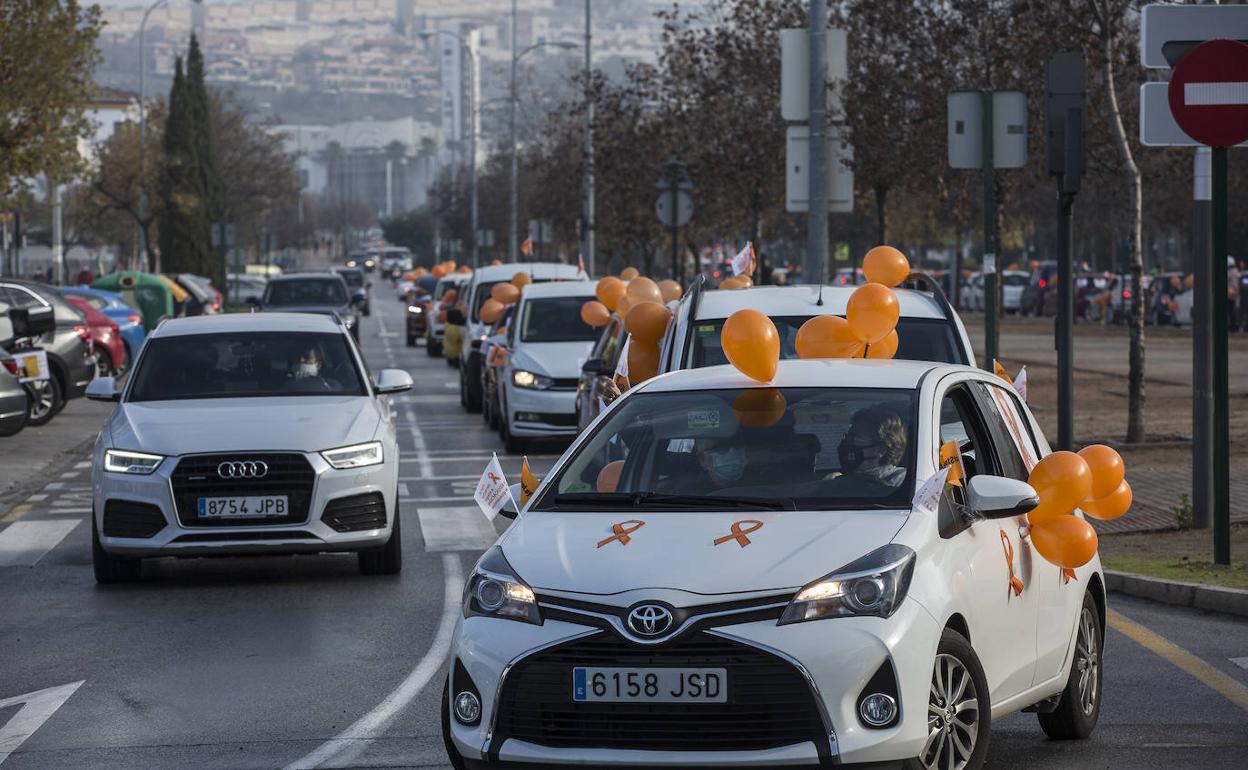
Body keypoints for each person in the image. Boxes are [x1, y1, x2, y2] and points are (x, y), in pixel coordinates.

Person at [824, 406, 908, 496]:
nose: (847, 443)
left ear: (881, 449)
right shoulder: (835, 483)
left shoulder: (904, 482)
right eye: (847, 436)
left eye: (855, 437)